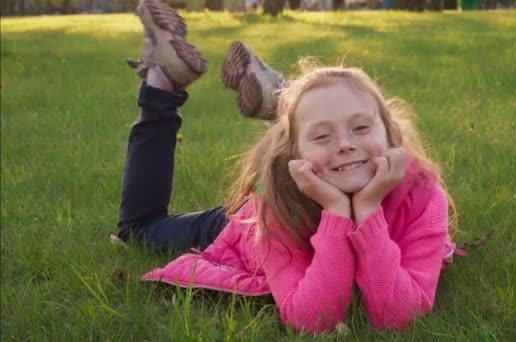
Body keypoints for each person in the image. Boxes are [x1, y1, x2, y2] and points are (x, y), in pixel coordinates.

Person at [116, 0, 457, 334]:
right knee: (138, 230)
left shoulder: (423, 198)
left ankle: (288, 101)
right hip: (253, 224)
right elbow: (313, 320)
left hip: (297, 184)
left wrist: (367, 210)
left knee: (321, 123)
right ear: (292, 158)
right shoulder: (273, 210)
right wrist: (338, 212)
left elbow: (398, 317)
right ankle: (161, 84)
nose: (345, 144)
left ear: (393, 136)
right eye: (323, 135)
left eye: (361, 128)